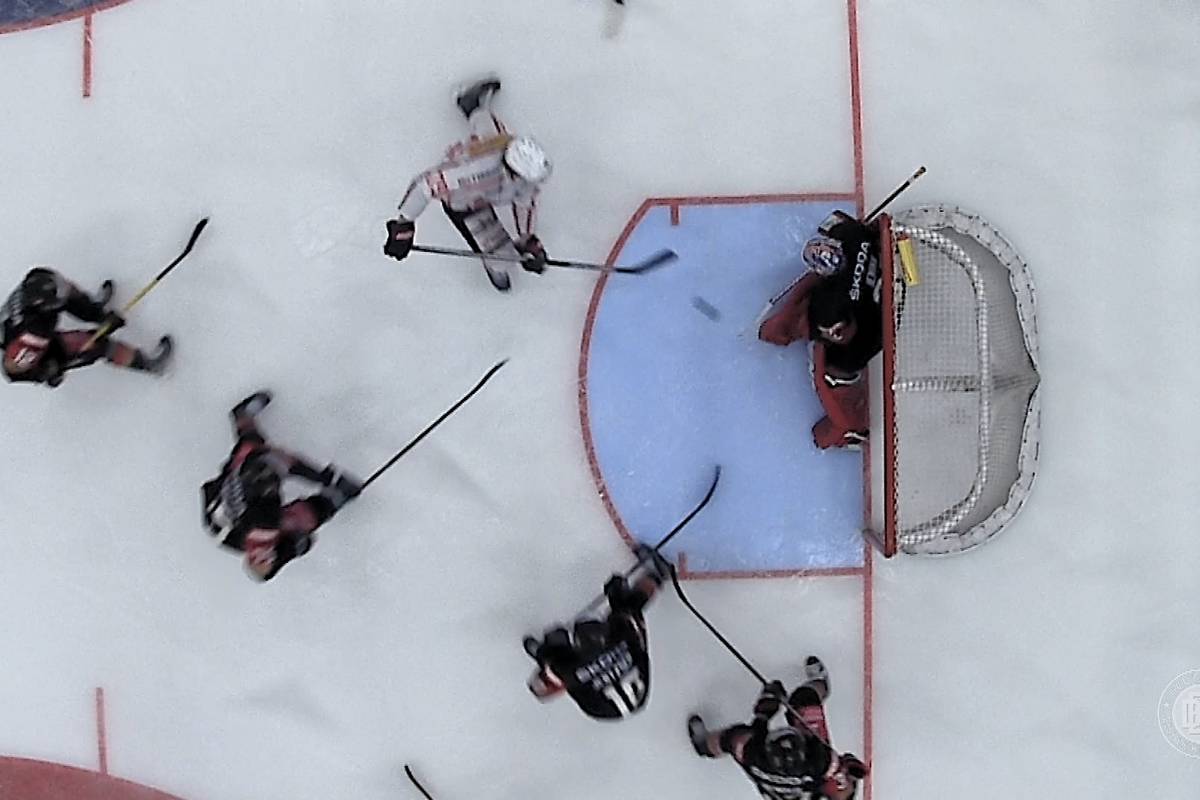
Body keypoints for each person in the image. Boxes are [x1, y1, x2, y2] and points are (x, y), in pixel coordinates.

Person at [382, 74, 553, 293]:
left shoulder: (524, 178)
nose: (532, 186)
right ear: (513, 171)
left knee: (491, 129)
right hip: (465, 203)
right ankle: (496, 269)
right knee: (501, 259)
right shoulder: (472, 172)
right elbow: (425, 185)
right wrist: (404, 224)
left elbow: (525, 203)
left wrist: (527, 239)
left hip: (494, 157)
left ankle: (472, 106)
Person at [201, 391, 362, 581]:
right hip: (242, 510)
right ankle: (329, 502)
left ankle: (242, 419)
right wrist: (293, 547)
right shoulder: (266, 521)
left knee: (254, 448)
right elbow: (265, 569)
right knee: (298, 518)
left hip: (231, 504)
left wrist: (328, 479)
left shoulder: (253, 485)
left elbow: (288, 463)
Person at [757, 212, 884, 450]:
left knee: (828, 371)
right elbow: (840, 223)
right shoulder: (855, 239)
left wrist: (777, 326)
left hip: (872, 336)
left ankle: (847, 430)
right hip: (881, 303)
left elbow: (812, 330)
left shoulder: (827, 306)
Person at [523, 545, 670, 720]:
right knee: (629, 606)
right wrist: (616, 595)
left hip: (611, 687)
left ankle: (548, 652)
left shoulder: (573, 675)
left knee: (560, 660)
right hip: (627, 680)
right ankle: (658, 575)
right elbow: (625, 621)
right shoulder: (621, 637)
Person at [687, 657, 868, 799]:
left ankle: (705, 745)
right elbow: (843, 777)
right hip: (809, 787)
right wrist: (849, 766)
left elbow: (743, 736)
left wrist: (766, 709)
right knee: (804, 699)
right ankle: (820, 684)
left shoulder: (751, 753)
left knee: (731, 738)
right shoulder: (822, 760)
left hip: (795, 788)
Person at [1, 268, 171, 386]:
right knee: (95, 344)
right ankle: (150, 365)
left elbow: (66, 294)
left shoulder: (36, 280)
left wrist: (100, 316)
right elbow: (16, 367)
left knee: (71, 298)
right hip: (30, 359)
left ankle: (95, 309)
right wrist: (48, 370)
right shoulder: (33, 336)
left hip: (24, 323)